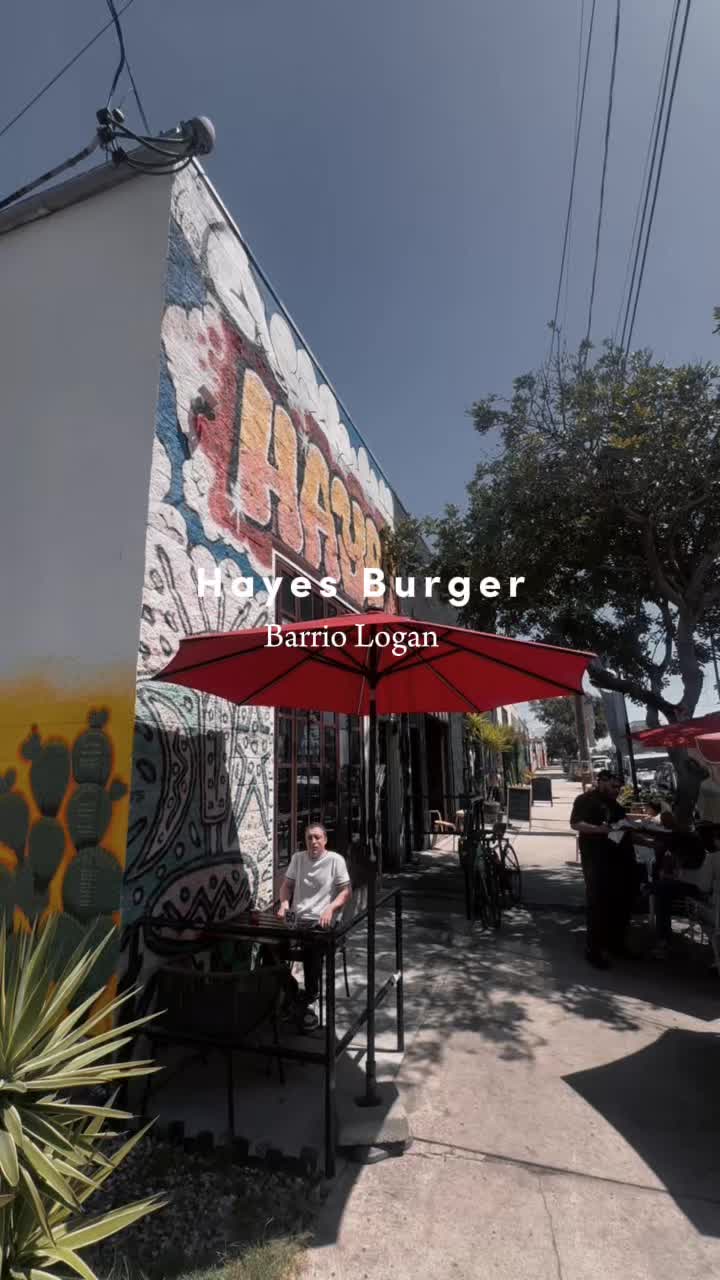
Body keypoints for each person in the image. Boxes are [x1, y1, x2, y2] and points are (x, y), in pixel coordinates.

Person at [276, 823, 351, 1030]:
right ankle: (290, 991)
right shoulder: (298, 859)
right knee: (271, 945)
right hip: (297, 919)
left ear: (325, 840)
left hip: (321, 920)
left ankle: (311, 998)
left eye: (317, 837)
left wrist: (330, 908)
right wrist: (284, 904)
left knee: (312, 948)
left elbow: (346, 892)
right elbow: (286, 886)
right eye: (310, 838)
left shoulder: (335, 861)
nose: (313, 841)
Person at [570, 770, 643, 969]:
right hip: (596, 860)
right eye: (613, 787)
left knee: (621, 903)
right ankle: (594, 950)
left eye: (619, 788)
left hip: (620, 862)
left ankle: (617, 945)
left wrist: (643, 835)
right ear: (600, 782)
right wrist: (599, 830)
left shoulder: (616, 805)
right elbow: (576, 823)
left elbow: (624, 829)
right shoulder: (585, 800)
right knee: (598, 904)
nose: (616, 791)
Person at [649, 821, 718, 958]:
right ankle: (663, 941)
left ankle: (663, 942)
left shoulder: (711, 857)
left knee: (662, 890)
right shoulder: (705, 853)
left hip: (708, 901)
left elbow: (704, 887)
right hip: (704, 895)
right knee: (663, 888)